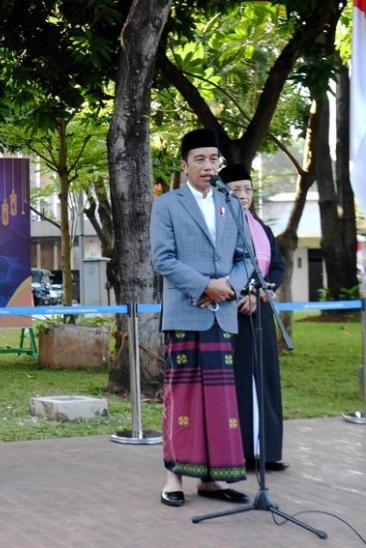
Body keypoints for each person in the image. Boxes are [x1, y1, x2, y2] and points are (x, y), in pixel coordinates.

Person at [150, 128, 253, 507]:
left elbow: (246, 258)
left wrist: (230, 286)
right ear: (184, 164)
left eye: (214, 159)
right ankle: (173, 478)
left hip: (222, 315)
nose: (208, 166)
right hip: (185, 313)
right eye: (200, 159)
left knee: (221, 402)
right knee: (184, 399)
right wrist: (205, 286)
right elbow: (162, 259)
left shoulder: (231, 203)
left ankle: (214, 481)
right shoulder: (168, 205)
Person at [220, 164, 288, 472]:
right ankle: (243, 451)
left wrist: (261, 294)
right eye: (236, 190)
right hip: (233, 312)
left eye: (248, 189)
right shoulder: (220, 226)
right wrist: (240, 295)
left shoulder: (261, 228)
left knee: (266, 379)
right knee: (241, 382)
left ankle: (268, 452)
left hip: (260, 309)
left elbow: (277, 267)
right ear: (224, 193)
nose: (243, 195)